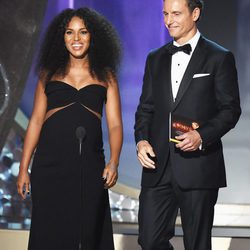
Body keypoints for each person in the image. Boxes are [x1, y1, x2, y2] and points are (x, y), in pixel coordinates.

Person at [134, 0, 241, 249]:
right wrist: (141, 140)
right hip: (157, 165)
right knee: (149, 240)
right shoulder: (155, 59)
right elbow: (145, 108)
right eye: (165, 14)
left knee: (197, 244)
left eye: (176, 13)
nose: (168, 20)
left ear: (195, 13)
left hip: (199, 167)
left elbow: (230, 110)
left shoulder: (219, 57)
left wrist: (201, 136)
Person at [17, 7, 123, 250]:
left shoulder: (107, 76)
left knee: (89, 232)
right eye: (69, 32)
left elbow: (115, 124)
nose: (76, 39)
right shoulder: (49, 74)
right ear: (61, 37)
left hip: (89, 165)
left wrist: (114, 161)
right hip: (50, 167)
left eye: (83, 32)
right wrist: (24, 167)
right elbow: (35, 121)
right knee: (50, 233)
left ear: (93, 36)